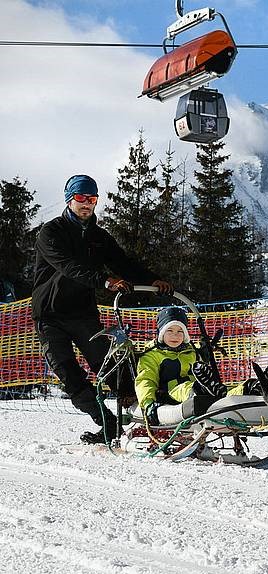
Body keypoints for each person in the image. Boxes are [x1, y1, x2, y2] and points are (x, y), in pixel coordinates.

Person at [32, 174, 173, 444]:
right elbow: (68, 267)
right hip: (50, 316)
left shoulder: (99, 237)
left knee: (109, 365)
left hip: (82, 313)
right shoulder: (51, 233)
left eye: (92, 199)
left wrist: (150, 279)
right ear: (69, 199)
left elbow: (123, 262)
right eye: (81, 198)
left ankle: (145, 417)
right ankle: (107, 422)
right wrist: (104, 281)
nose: (87, 204)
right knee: (68, 372)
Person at [135, 306, 268, 425]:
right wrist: (148, 404)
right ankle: (203, 388)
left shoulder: (191, 351)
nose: (176, 335)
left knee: (222, 390)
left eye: (180, 331)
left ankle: (251, 387)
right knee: (189, 387)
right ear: (161, 333)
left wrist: (205, 351)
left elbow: (201, 360)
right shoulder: (151, 355)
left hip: (200, 385)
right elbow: (145, 380)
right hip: (169, 391)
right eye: (170, 331)